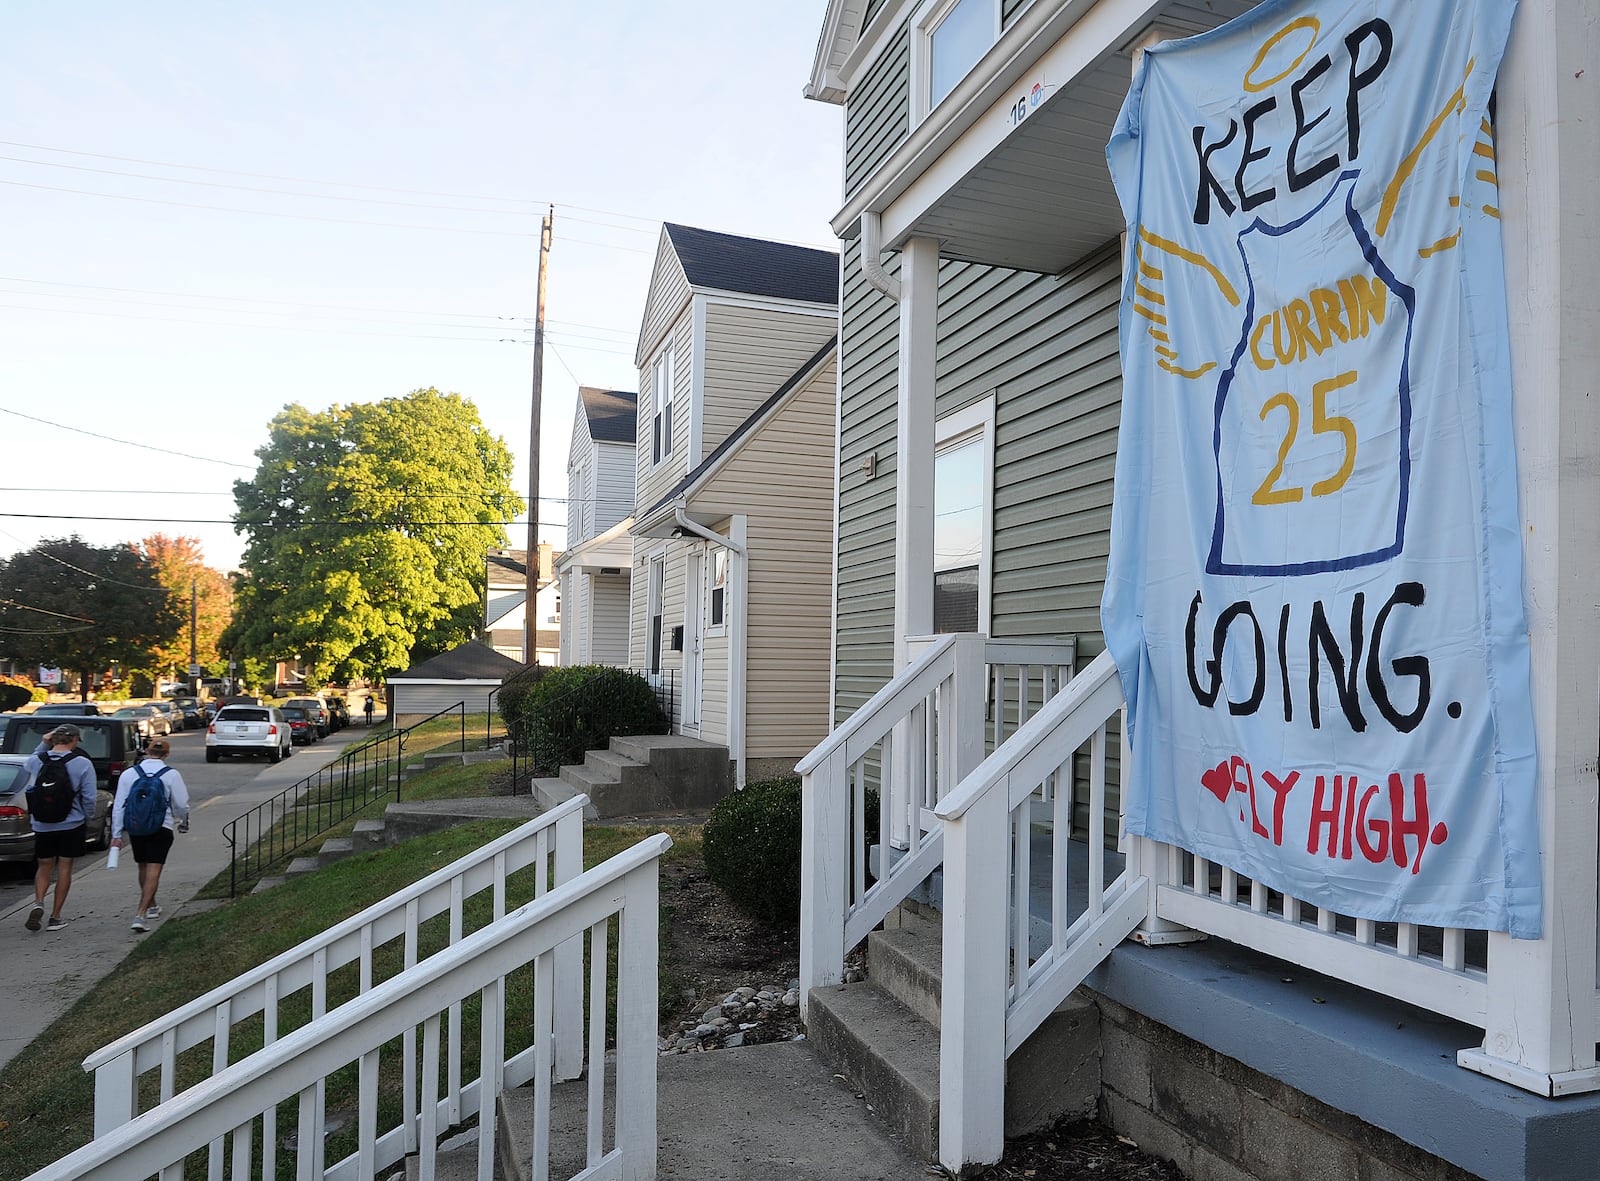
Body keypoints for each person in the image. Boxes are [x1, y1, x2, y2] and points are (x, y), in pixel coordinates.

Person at [111, 737, 191, 933]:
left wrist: (116, 833)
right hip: (161, 827)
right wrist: (184, 821)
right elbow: (181, 804)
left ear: (146, 751)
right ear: (167, 754)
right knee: (154, 869)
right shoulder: (171, 774)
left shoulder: (129, 774)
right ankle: (140, 914)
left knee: (143, 867)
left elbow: (119, 805)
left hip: (136, 827)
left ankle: (152, 906)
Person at [23, 724, 98, 932]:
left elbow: (27, 767)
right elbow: (89, 797)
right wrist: (88, 817)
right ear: (73, 739)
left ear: (53, 739)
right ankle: (55, 917)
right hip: (71, 823)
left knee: (44, 865)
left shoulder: (37, 760)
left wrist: (43, 743)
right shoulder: (82, 763)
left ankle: (38, 901)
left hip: (43, 823)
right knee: (65, 867)